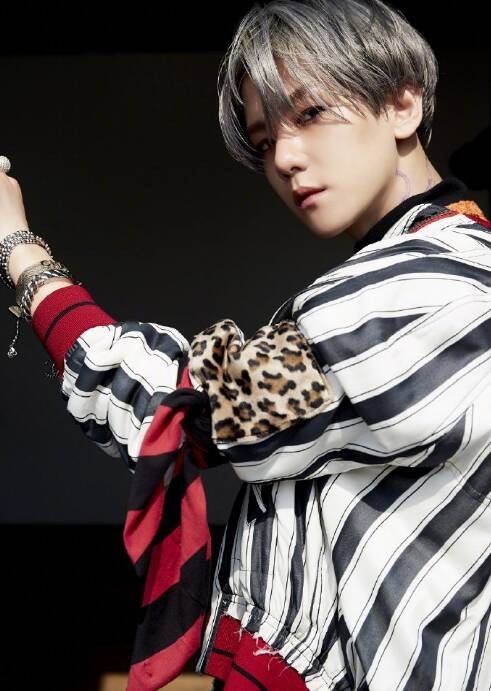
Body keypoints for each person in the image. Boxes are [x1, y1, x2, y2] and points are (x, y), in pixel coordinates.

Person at [0, 0, 490, 689]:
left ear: (402, 104)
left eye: (311, 113)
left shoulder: (433, 288)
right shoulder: (425, 272)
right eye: (263, 142)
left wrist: (17, 245)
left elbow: (174, 405)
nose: (285, 158)